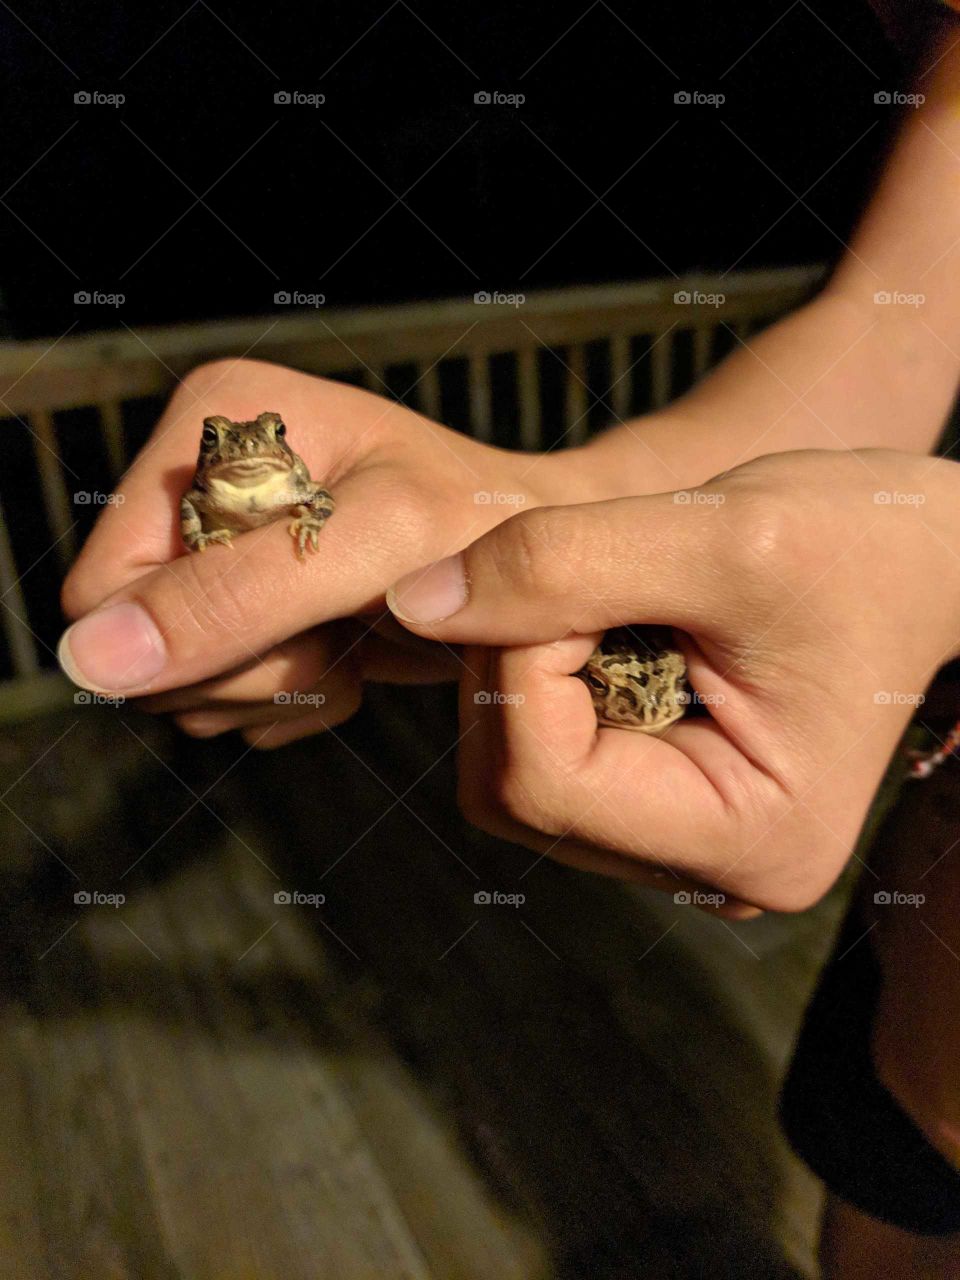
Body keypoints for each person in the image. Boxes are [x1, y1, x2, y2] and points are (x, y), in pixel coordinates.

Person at [57, 8, 960, 1276]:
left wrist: (940, 561)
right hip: (917, 965)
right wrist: (550, 505)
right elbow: (895, 327)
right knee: (870, 1212)